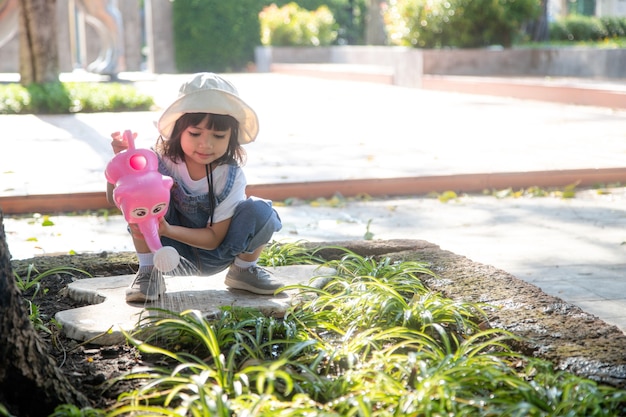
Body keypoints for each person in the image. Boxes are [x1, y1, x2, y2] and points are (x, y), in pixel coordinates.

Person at [106, 72, 284, 302]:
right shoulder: (156, 162)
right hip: (163, 249)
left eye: (218, 136)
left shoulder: (230, 176)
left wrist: (168, 229)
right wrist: (122, 165)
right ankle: (149, 272)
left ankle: (243, 270)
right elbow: (115, 199)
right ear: (179, 129)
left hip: (215, 254)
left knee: (261, 211)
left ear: (232, 138)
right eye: (195, 133)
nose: (206, 144)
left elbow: (213, 239)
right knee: (140, 198)